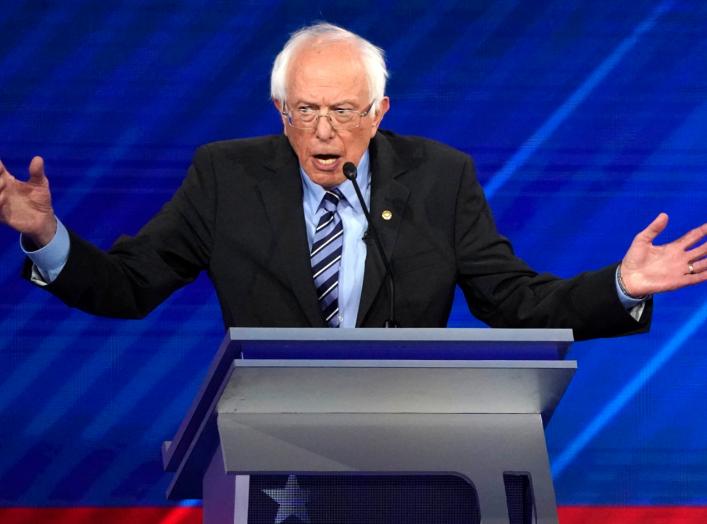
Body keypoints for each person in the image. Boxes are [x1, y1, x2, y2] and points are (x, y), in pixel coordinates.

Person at [0, 23, 705, 339]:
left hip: (412, 441)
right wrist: (47, 236)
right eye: (305, 111)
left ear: (379, 113)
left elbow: (513, 302)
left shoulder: (438, 177)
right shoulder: (224, 176)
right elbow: (128, 287)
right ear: (279, 112)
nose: (324, 131)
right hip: (267, 441)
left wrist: (620, 286)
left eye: (343, 111)